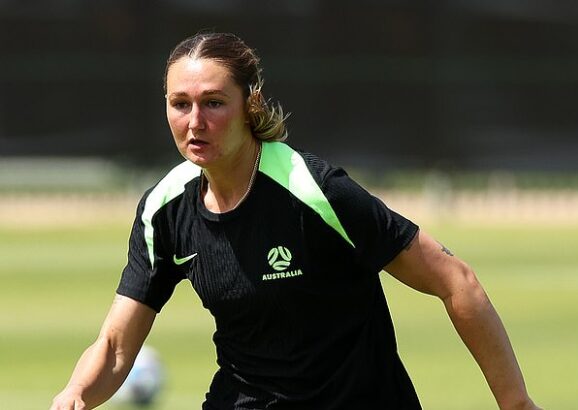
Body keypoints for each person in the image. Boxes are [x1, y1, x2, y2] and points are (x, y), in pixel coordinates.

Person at [51, 32, 540, 410]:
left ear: (250, 104)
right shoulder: (165, 209)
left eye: (214, 102)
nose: (195, 121)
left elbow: (456, 281)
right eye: (180, 104)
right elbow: (116, 347)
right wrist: (75, 394)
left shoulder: (314, 191)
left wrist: (515, 403)